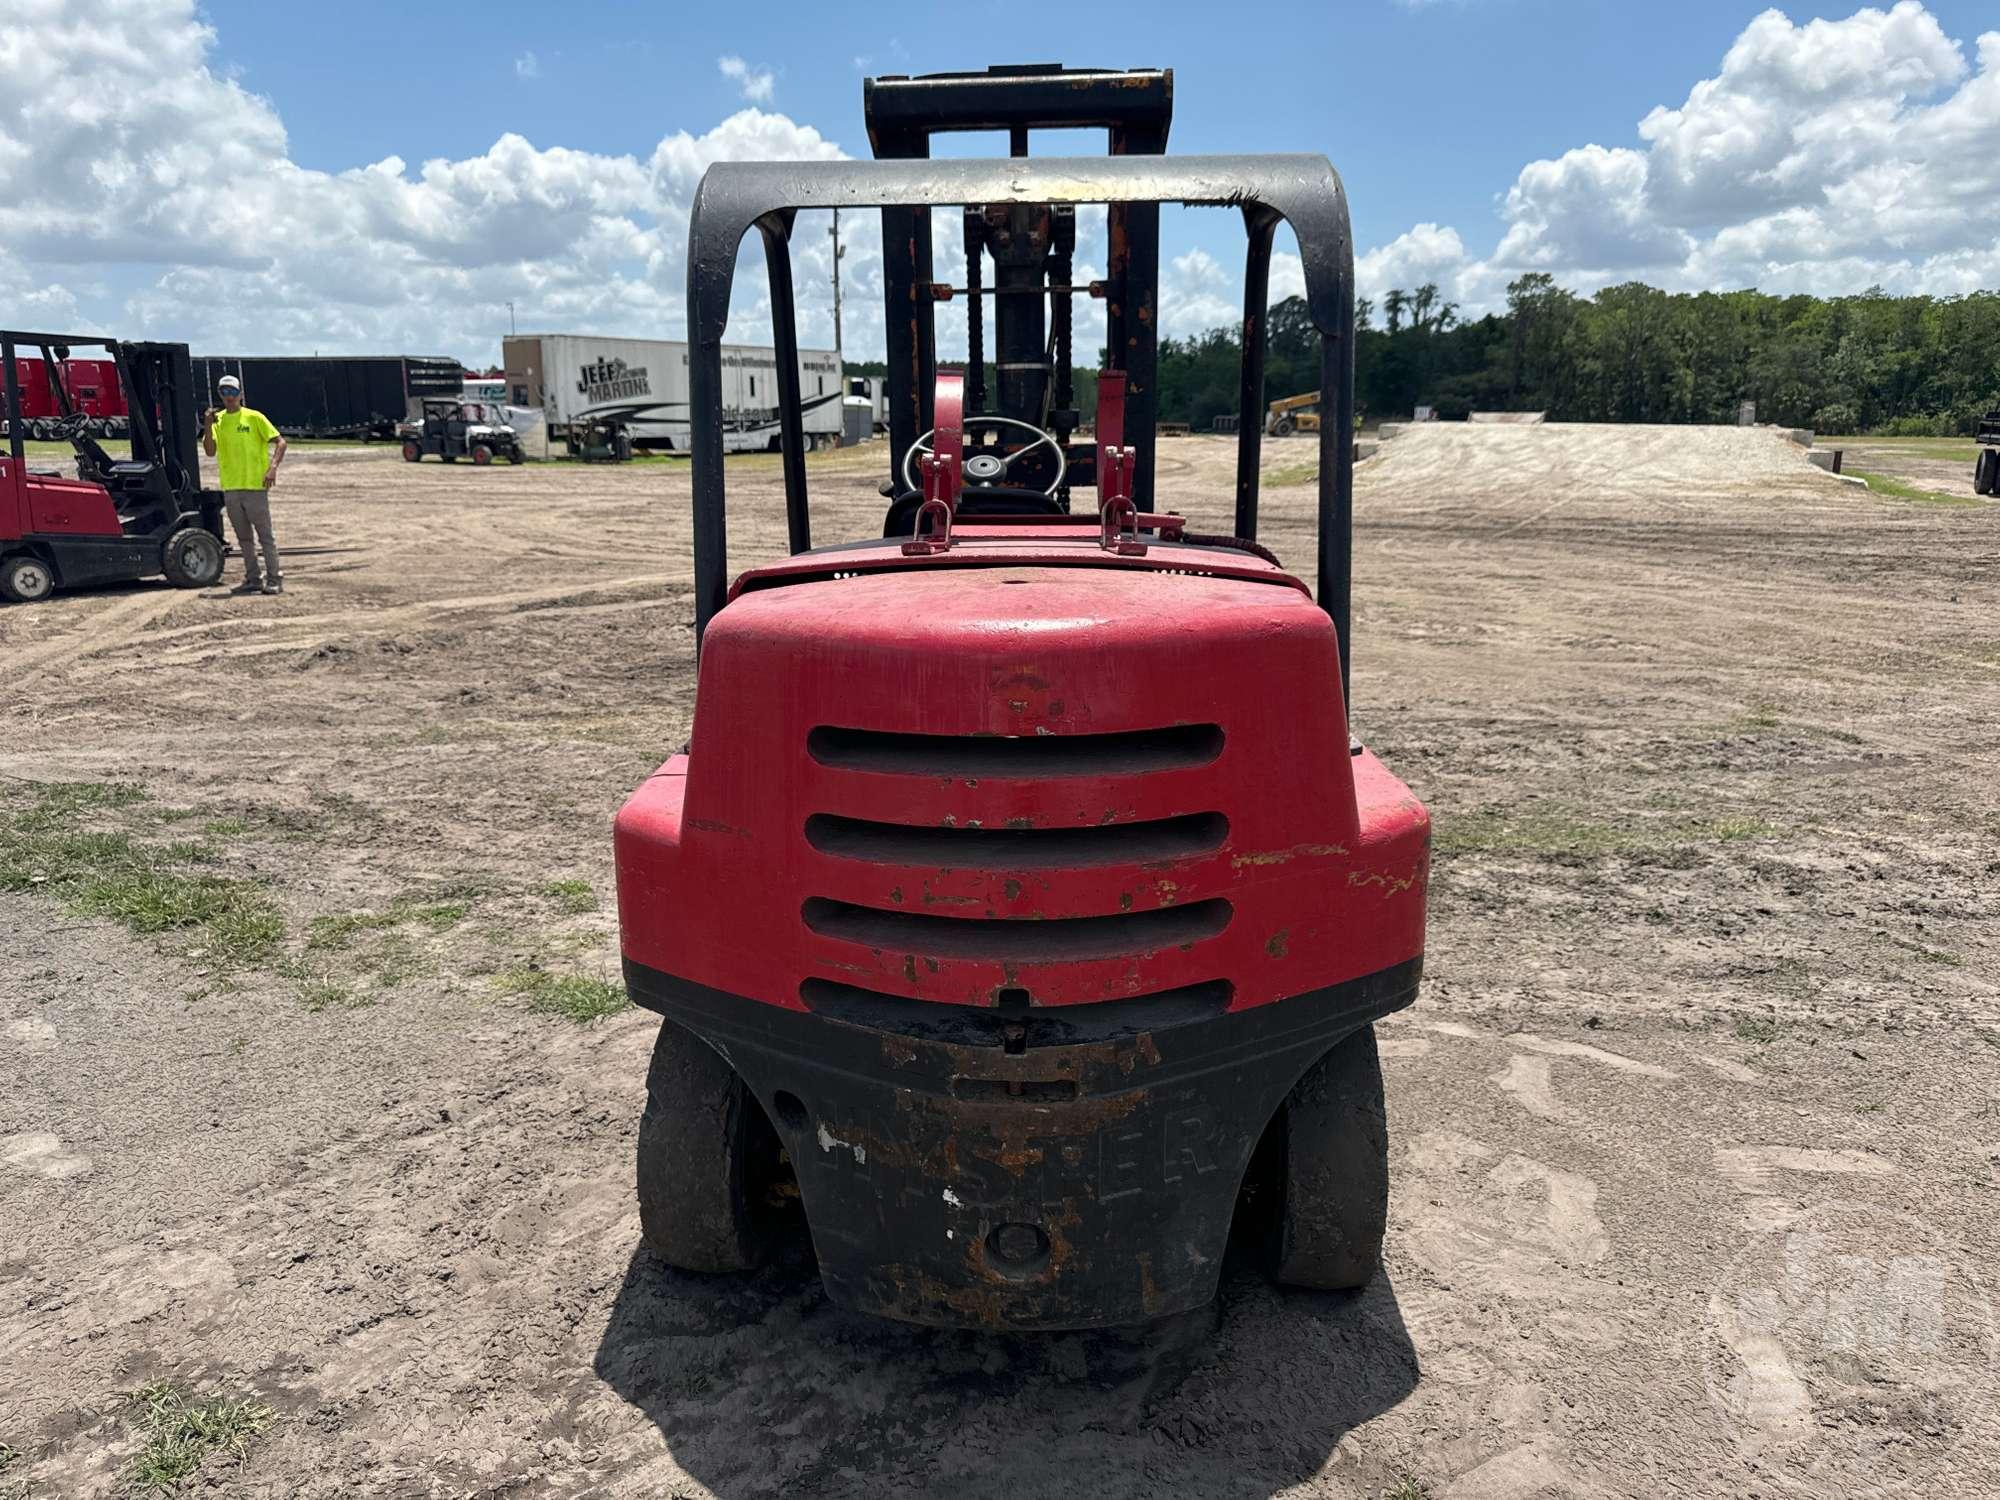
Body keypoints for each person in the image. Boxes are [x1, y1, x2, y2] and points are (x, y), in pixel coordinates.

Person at [201, 375, 287, 595]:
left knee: (265, 535)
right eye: (224, 392)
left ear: (240, 394)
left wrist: (273, 467)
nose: (228, 397)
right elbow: (210, 451)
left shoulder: (254, 417)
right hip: (231, 487)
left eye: (232, 392)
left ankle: (274, 578)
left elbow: (280, 442)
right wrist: (208, 426)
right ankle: (253, 578)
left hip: (255, 486)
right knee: (244, 538)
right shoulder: (218, 421)